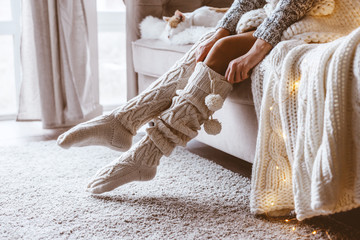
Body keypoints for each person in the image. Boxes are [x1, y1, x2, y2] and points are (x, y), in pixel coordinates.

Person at [57, 0, 316, 194]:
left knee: (224, 47)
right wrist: (219, 30)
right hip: (275, 13)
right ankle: (123, 120)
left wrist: (257, 48)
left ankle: (147, 153)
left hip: (321, 16)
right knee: (211, 42)